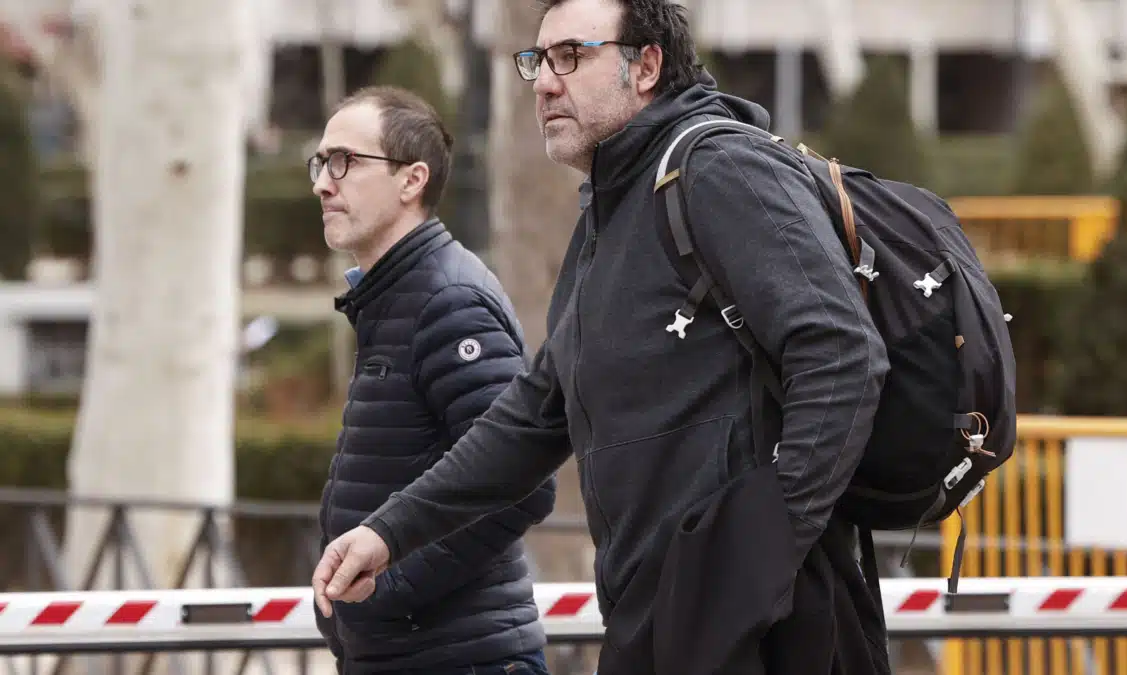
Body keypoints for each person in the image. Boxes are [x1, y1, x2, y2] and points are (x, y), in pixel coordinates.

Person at [313, 2, 894, 673]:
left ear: (645, 66)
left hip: (765, 619)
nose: (544, 83)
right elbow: (532, 417)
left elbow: (843, 352)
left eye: (570, 56)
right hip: (661, 611)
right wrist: (388, 532)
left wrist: (762, 547)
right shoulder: (612, 210)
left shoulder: (721, 168)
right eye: (537, 61)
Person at [308, 85, 555, 675]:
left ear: (411, 180)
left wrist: (385, 584)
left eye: (344, 161)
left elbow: (522, 483)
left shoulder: (448, 301)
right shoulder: (397, 295)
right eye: (319, 162)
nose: (322, 183)